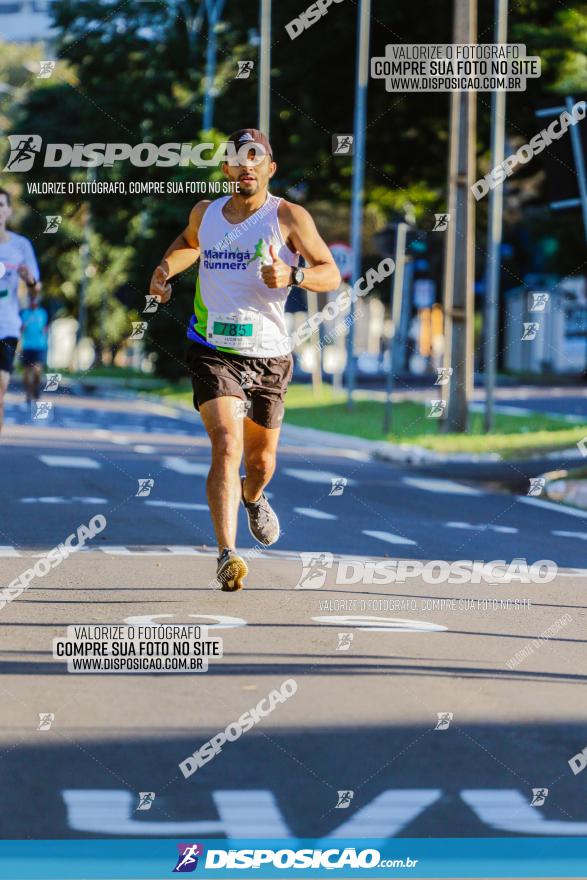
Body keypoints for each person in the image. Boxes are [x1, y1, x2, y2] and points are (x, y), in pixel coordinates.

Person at [149, 129, 340, 591]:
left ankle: (254, 497)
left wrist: (294, 274)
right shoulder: (207, 213)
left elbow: (330, 274)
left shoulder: (289, 216)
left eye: (255, 158)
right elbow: (188, 241)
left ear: (269, 169)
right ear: (227, 170)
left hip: (271, 354)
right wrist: (163, 270)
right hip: (213, 350)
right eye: (237, 159)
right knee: (226, 446)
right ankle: (227, 554)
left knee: (260, 462)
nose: (246, 165)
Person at [0, 189, 41, 433]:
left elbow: (36, 294)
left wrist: (30, 282)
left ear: (8, 210)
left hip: (6, 327)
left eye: (1, 204)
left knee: (0, 390)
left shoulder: (21, 246)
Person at [20, 292, 49, 404]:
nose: (33, 301)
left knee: (37, 371)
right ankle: (28, 393)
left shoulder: (43, 313)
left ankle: (35, 389)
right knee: (27, 373)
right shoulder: (24, 314)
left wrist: (45, 331)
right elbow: (20, 329)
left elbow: (45, 328)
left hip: (39, 346)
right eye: (31, 299)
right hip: (27, 346)